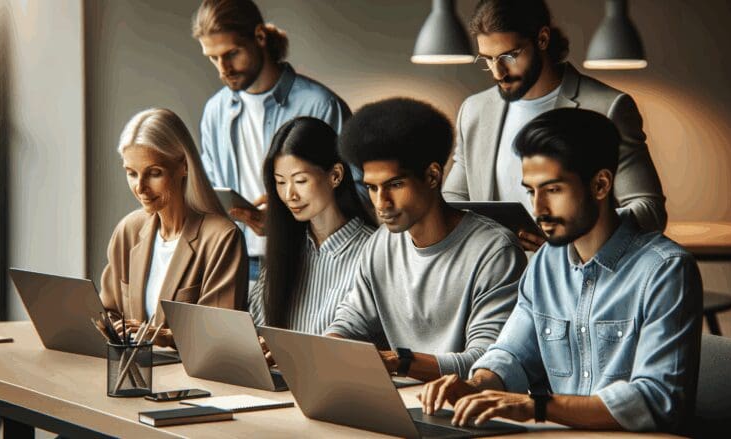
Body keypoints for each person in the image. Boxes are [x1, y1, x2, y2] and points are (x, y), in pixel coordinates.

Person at [420, 108, 702, 433]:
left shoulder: (666, 270)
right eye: (531, 191)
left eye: (553, 190)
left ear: (600, 184)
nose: (538, 209)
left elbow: (656, 399)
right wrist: (476, 385)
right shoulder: (545, 263)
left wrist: (536, 407)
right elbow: (513, 353)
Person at [325, 98, 527, 382]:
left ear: (432, 176)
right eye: (372, 187)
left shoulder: (495, 251)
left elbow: (486, 360)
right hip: (401, 398)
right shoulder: (380, 244)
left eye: (395, 185)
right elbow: (350, 322)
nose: (381, 203)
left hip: (464, 402)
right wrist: (321, 349)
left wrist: (400, 362)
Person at [443, 0, 667, 251]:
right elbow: (453, 200)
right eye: (488, 59)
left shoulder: (608, 107)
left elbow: (650, 211)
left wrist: (571, 240)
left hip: (579, 272)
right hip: (495, 272)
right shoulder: (474, 110)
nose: (498, 72)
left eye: (509, 56)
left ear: (542, 39)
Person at [192, 0, 353, 281]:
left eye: (231, 54)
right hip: (236, 265)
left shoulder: (320, 105)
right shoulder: (214, 112)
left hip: (309, 263)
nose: (223, 69)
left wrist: (285, 220)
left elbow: (356, 196)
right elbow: (211, 190)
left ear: (260, 37)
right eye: (213, 58)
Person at [100, 108, 249, 347]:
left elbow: (221, 336)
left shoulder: (222, 238)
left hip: (189, 372)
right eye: (131, 173)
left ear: (184, 166)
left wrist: (166, 337)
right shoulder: (128, 230)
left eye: (154, 173)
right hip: (132, 367)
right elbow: (108, 312)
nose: (140, 187)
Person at [248, 117, 375, 335]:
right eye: (280, 182)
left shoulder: (373, 251)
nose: (290, 195)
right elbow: (256, 326)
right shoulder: (285, 249)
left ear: (335, 175)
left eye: (300, 181)